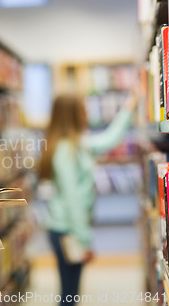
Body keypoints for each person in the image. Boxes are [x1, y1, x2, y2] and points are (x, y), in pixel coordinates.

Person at [38, 90, 139, 306]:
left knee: (71, 291)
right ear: (72, 114)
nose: (87, 113)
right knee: (69, 293)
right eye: (83, 109)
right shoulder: (66, 150)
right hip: (67, 231)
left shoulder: (77, 145)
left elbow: (108, 140)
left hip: (68, 229)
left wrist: (129, 107)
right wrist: (84, 241)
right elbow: (73, 200)